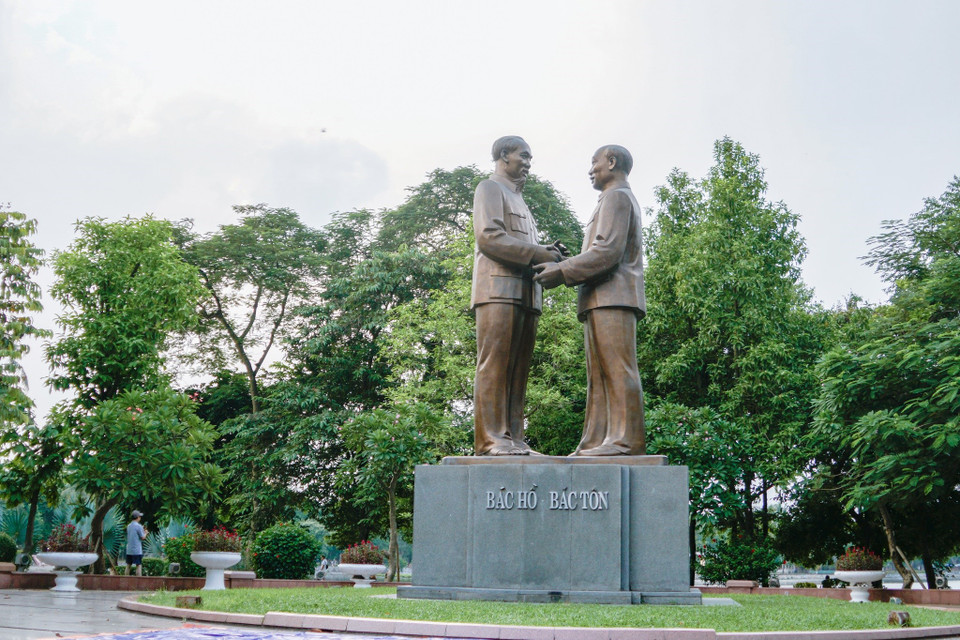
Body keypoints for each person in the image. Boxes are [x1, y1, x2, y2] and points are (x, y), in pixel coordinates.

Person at [533, 144, 646, 456]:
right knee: (599, 376)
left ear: (611, 162)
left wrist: (563, 270)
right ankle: (597, 441)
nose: (590, 169)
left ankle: (625, 440)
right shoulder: (609, 199)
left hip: (615, 295)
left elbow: (608, 252)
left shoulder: (617, 197)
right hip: (599, 297)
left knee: (617, 368)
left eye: (594, 162)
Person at [471, 135, 566, 455]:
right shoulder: (489, 188)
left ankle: (514, 439)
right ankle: (491, 440)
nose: (527, 162)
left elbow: (524, 246)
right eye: (523, 156)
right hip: (497, 289)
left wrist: (548, 253)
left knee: (518, 370)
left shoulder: (520, 199)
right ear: (502, 155)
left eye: (529, 157)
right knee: (495, 365)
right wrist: (539, 253)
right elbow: (489, 238)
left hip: (526, 293)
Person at [125, 510, 148, 576]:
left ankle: (126, 580)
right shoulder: (139, 526)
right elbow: (143, 537)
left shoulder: (128, 526)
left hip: (129, 550)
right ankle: (138, 581)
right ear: (137, 517)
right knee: (138, 565)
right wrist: (145, 533)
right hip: (137, 550)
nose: (140, 518)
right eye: (140, 516)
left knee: (128, 565)